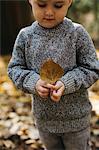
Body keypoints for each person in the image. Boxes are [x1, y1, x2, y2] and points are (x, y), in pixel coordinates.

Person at [7, 0, 99, 149]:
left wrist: (66, 83)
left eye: (58, 5)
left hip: (76, 120)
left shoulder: (77, 33)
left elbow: (92, 68)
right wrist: (34, 82)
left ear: (69, 1)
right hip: (44, 120)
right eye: (42, 5)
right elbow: (15, 68)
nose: (49, 12)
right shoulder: (25, 36)